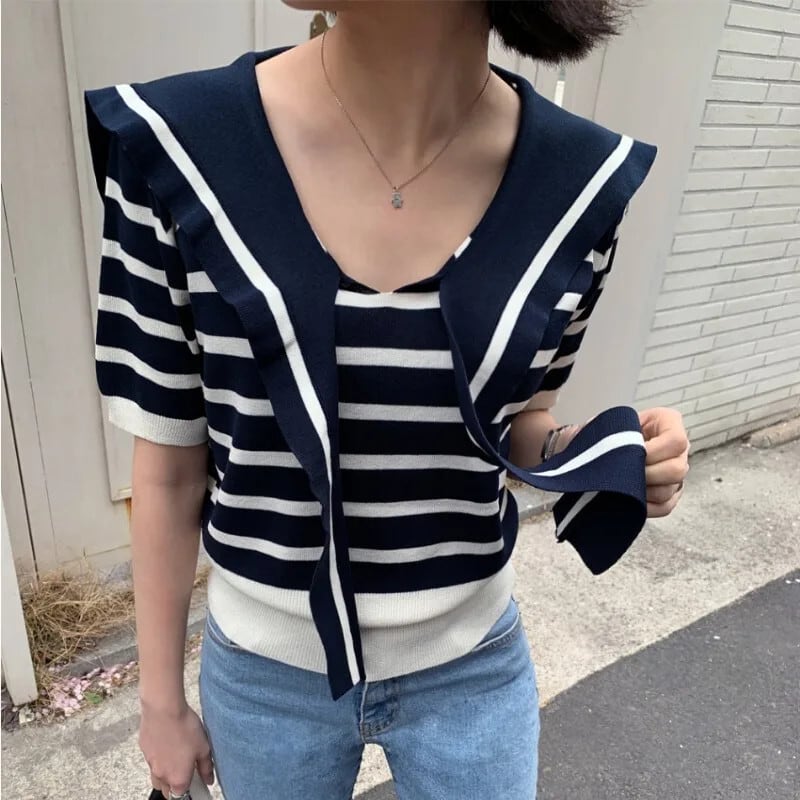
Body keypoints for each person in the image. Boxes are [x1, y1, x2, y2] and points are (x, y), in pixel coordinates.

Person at [83, 2, 690, 798]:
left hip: (472, 669)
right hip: (266, 681)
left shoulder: (579, 186)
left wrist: (604, 452)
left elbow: (521, 423)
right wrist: (159, 703)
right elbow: (168, 467)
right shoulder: (177, 149)